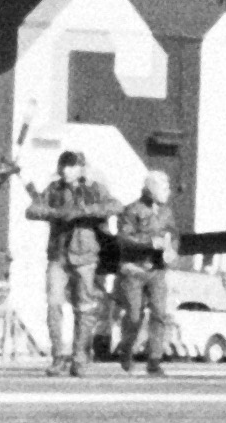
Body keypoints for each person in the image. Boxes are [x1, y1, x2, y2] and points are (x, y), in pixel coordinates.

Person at [28, 150, 117, 377]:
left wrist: (84, 212)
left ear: (81, 168)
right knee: (54, 304)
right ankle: (58, 356)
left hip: (85, 256)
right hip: (58, 256)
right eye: (63, 165)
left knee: (84, 308)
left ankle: (79, 357)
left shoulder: (93, 188)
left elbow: (115, 206)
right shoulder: (54, 189)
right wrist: (58, 213)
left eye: (71, 166)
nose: (66, 170)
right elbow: (33, 209)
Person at [111, 171, 178, 375]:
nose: (167, 192)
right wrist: (149, 243)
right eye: (163, 188)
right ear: (151, 188)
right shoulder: (131, 210)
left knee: (160, 314)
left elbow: (173, 234)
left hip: (157, 270)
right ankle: (127, 351)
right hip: (134, 269)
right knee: (134, 315)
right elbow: (123, 238)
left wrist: (172, 249)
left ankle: (155, 360)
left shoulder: (166, 212)